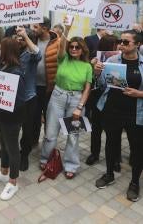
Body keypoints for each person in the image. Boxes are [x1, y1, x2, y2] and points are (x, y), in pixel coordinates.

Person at [95, 30, 143, 202]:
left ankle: (135, 182)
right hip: (112, 110)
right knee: (111, 143)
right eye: (120, 41)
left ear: (137, 44)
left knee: (137, 149)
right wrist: (98, 72)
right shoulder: (112, 60)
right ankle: (109, 174)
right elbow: (102, 84)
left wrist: (140, 94)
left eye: (126, 42)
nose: (121, 45)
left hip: (136, 114)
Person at [40, 20, 92, 179]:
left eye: (77, 47)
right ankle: (45, 158)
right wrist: (67, 29)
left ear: (83, 49)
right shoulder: (63, 59)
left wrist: (79, 106)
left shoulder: (87, 66)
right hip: (58, 96)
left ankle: (71, 165)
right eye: (72, 46)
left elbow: (87, 88)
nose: (74, 49)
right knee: (50, 133)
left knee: (73, 135)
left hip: (76, 100)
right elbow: (62, 45)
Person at [0, 37, 27, 200]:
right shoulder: (6, 67)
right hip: (1, 117)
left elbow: (18, 102)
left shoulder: (16, 72)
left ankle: (13, 182)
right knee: (4, 145)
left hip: (12, 119)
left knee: (12, 149)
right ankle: (3, 173)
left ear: (7, 51)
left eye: (1, 48)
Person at [85, 35, 120, 168]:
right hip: (98, 97)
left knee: (114, 131)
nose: (118, 47)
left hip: (113, 98)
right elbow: (89, 80)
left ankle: (116, 158)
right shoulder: (95, 59)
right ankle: (94, 153)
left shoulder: (120, 59)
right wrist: (93, 69)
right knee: (96, 128)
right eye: (115, 45)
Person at [15, 27, 42, 171]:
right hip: (12, 98)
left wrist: (25, 36)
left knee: (27, 130)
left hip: (28, 98)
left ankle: (24, 155)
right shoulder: (14, 51)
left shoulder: (31, 54)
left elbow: (38, 54)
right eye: (18, 37)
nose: (19, 40)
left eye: (22, 39)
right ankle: (11, 151)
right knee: (12, 128)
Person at [31, 18, 61, 145]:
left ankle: (47, 144)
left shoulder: (58, 42)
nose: (33, 29)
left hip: (50, 88)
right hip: (33, 87)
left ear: (44, 28)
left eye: (36, 27)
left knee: (49, 118)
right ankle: (32, 141)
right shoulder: (32, 40)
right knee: (33, 117)